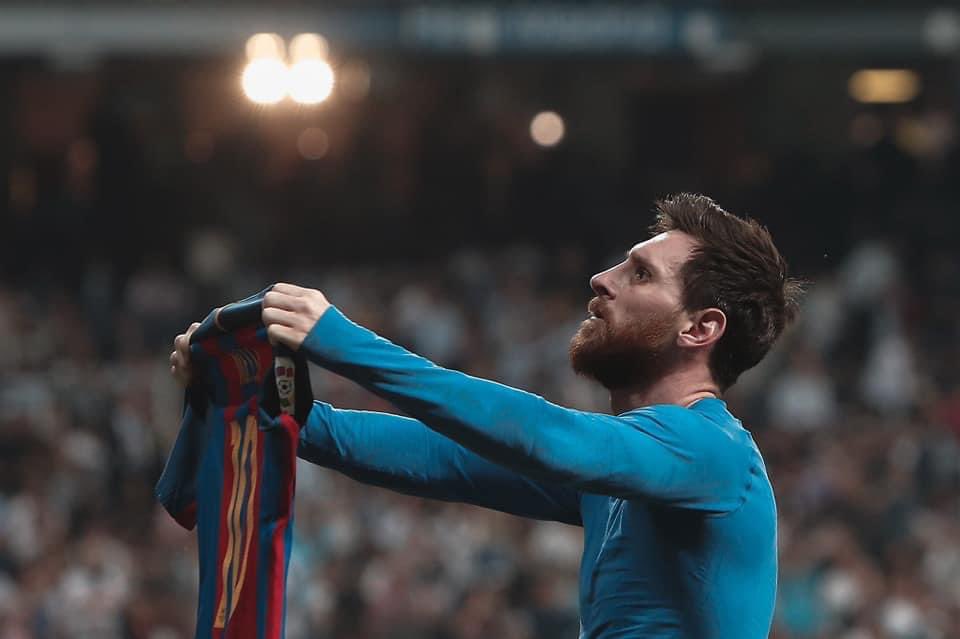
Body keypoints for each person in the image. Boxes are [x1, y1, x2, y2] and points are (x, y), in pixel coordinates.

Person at [170, 193, 802, 638]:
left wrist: (345, 342)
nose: (601, 278)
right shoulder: (625, 473)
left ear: (700, 328)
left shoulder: (714, 454)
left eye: (639, 274)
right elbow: (443, 458)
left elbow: (546, 437)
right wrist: (267, 403)